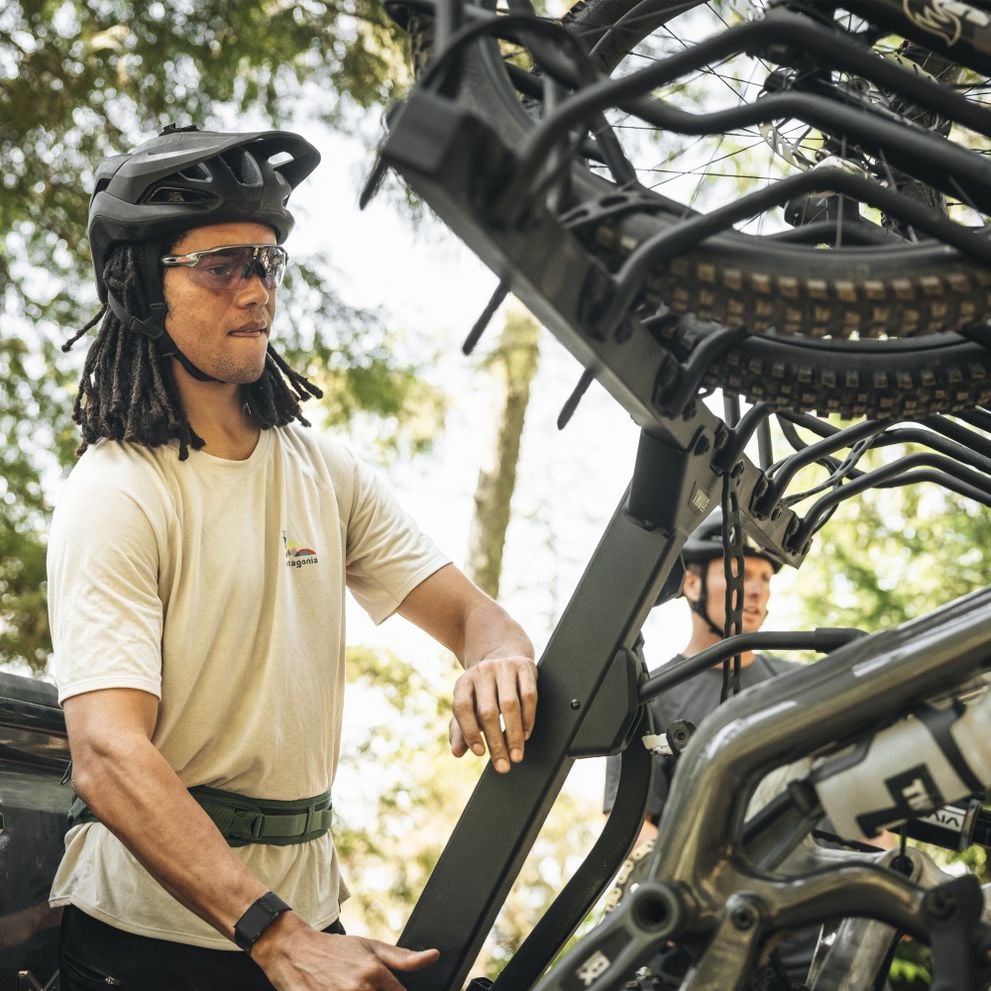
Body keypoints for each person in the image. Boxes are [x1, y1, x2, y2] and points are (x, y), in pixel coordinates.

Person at [46, 124, 539, 991]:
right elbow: (108, 754)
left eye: (268, 265)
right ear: (137, 286)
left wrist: (497, 655)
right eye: (222, 266)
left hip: (298, 920)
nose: (256, 291)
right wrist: (276, 936)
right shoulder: (118, 491)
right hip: (151, 940)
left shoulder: (323, 469)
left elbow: (474, 615)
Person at [602, 510, 796, 846]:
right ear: (691, 583)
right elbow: (629, 829)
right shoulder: (651, 697)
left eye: (765, 578)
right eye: (741, 572)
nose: (757, 591)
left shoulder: (798, 684)